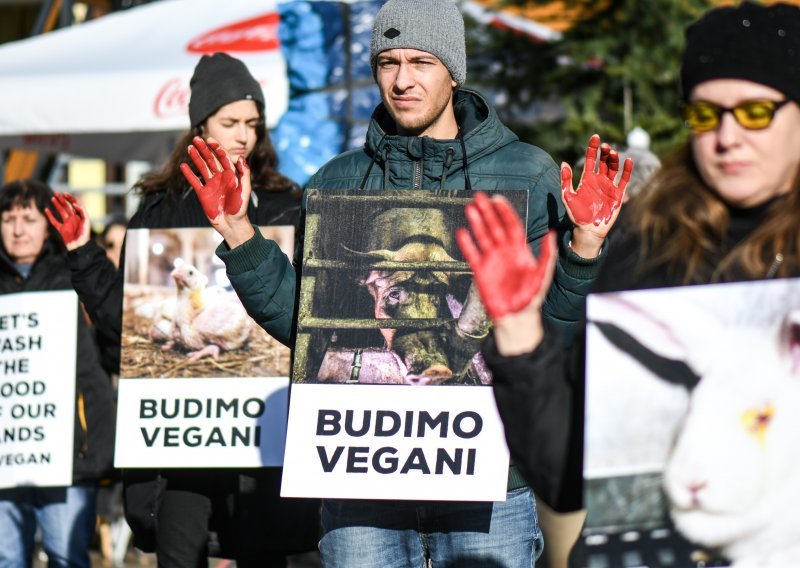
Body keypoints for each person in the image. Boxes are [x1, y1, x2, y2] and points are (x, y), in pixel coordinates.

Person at [180, 1, 629, 566]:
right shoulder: (337, 181)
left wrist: (584, 248)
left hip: (486, 483)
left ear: (453, 71)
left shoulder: (526, 173)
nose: (402, 79)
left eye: (421, 61)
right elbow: (304, 326)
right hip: (362, 488)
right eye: (388, 62)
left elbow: (553, 335)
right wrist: (240, 234)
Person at [457, 0, 800, 563]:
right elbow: (565, 474)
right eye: (707, 115)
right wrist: (518, 330)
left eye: (756, 112)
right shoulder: (650, 251)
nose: (728, 137)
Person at [47, 53, 319, 568]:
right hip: (182, 442)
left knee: (269, 553)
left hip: (266, 435)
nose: (244, 136)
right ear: (200, 124)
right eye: (230, 122)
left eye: (253, 125)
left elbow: (302, 314)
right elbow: (123, 324)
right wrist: (84, 253)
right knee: (179, 553)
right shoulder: (158, 209)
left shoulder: (286, 203)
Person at [0, 180, 116, 568]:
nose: (18, 230)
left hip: (70, 454)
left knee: (68, 555)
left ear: (47, 224)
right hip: (8, 453)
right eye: (8, 218)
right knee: (7, 557)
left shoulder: (76, 275)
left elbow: (108, 352)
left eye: (29, 219)